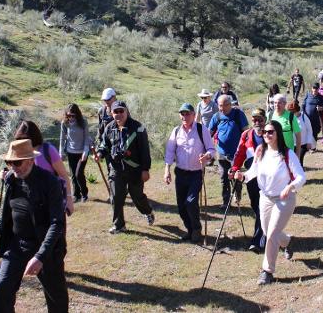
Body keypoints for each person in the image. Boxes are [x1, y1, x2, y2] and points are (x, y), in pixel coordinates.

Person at [0, 139, 68, 313]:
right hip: (17, 246)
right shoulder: (12, 181)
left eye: (17, 162)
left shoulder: (50, 182)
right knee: (2, 290)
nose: (13, 167)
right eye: (9, 162)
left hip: (46, 248)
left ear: (30, 160)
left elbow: (57, 223)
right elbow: (9, 216)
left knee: (57, 299)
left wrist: (40, 257)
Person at [235, 120, 306, 285]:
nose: (266, 134)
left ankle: (267, 271)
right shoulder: (261, 151)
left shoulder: (287, 154)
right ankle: (288, 242)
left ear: (278, 134)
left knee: (272, 234)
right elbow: (253, 171)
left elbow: (302, 176)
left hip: (284, 199)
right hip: (265, 197)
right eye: (265, 132)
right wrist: (243, 177)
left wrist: (290, 186)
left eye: (270, 132)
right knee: (268, 232)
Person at [95, 101, 155, 234]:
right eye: (116, 112)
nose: (119, 114)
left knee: (137, 196)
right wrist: (99, 154)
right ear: (112, 113)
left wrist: (145, 169)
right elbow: (104, 145)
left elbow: (145, 151)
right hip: (116, 169)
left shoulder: (138, 127)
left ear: (127, 112)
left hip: (135, 170)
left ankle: (148, 211)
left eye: (121, 111)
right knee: (116, 197)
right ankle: (119, 225)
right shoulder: (109, 128)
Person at [164, 103, 215, 243]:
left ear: (193, 115)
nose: (185, 116)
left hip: (196, 173)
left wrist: (207, 156)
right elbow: (170, 152)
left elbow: (211, 149)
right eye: (182, 114)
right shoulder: (176, 131)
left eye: (187, 113)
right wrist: (167, 170)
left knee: (191, 202)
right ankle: (190, 229)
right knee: (181, 207)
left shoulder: (201, 129)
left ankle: (197, 229)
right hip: (180, 173)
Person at [15, 120, 74, 217]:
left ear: (33, 136)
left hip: (51, 201)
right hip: (29, 203)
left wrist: (69, 199)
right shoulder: (19, 154)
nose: (22, 142)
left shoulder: (48, 150)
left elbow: (63, 175)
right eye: (19, 139)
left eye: (25, 139)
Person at [230, 108, 267, 253]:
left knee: (261, 207)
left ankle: (258, 240)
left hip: (268, 177)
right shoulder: (246, 135)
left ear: (265, 120)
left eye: (260, 119)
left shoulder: (270, 134)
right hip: (251, 176)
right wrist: (234, 168)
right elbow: (239, 154)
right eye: (254, 120)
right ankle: (266, 232)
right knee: (255, 205)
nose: (257, 122)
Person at [208, 94, 249, 208]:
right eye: (219, 106)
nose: (221, 108)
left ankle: (237, 197)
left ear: (229, 104)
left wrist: (246, 149)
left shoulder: (238, 114)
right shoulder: (217, 116)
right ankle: (226, 202)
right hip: (221, 153)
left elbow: (246, 132)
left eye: (223, 106)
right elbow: (209, 133)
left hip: (236, 154)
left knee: (236, 177)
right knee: (223, 178)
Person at [59, 104, 90, 202]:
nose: (71, 118)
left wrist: (86, 151)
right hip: (70, 152)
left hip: (82, 152)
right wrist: (61, 153)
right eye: (68, 116)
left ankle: (84, 193)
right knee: (73, 175)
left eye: (73, 116)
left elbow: (87, 138)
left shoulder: (83, 122)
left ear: (77, 114)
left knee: (79, 174)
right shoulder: (64, 123)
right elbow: (62, 138)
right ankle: (76, 195)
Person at [268, 93, 301, 158]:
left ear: (285, 103)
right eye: (275, 103)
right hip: (273, 153)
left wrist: (297, 154)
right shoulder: (269, 115)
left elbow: (298, 136)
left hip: (288, 153)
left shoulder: (291, 116)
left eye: (279, 103)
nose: (276, 105)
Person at [302, 83, 323, 152]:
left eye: (316, 89)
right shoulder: (308, 95)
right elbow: (303, 105)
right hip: (307, 118)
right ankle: (307, 146)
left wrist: (321, 108)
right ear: (312, 88)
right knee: (307, 132)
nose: (314, 90)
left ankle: (313, 148)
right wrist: (302, 113)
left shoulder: (321, 97)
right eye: (313, 88)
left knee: (314, 133)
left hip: (316, 119)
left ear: (318, 89)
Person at [291, 100, 315, 167]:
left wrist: (309, 142)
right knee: (293, 161)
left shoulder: (304, 117)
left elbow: (310, 130)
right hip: (292, 144)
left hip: (303, 144)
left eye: (293, 112)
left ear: (297, 111)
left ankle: (301, 175)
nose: (291, 114)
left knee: (299, 159)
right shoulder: (290, 118)